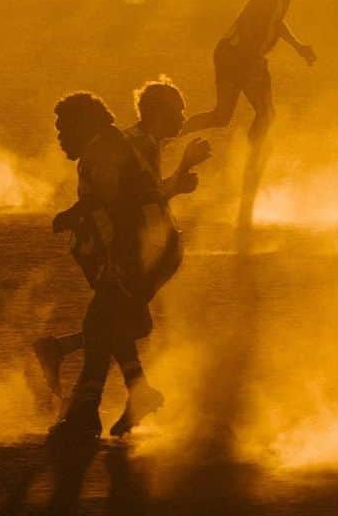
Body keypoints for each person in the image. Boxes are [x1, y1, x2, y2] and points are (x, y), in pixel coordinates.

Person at [34, 80, 210, 436]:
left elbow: (123, 201)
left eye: (64, 129)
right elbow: (138, 194)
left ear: (83, 125)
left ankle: (86, 409)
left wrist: (77, 215)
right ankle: (121, 390)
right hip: (146, 248)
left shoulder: (107, 149)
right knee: (112, 325)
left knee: (103, 323)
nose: (60, 138)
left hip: (144, 250)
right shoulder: (112, 145)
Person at [184, 0, 316, 229]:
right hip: (239, 55)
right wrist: (255, 59)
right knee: (264, 113)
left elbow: (276, 23)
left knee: (223, 115)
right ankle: (251, 174)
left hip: (234, 53)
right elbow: (253, 25)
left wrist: (298, 47)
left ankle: (168, 133)